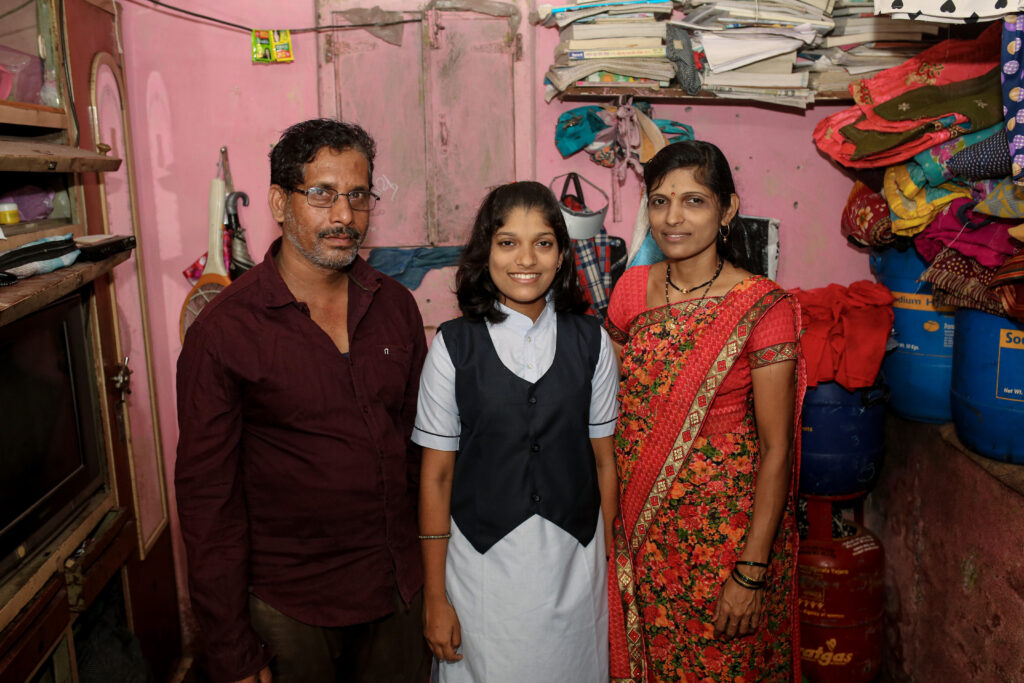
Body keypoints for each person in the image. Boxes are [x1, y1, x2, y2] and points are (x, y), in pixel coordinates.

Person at [175, 118, 431, 683]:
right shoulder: (225, 331)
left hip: (396, 593)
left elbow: (420, 454)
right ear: (279, 202)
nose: (344, 216)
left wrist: (433, 581)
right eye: (321, 194)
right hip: (290, 606)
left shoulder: (395, 307)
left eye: (358, 196)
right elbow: (206, 502)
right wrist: (233, 651)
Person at [606, 140, 805, 682]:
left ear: (727, 210)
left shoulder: (763, 305)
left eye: (693, 201)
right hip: (642, 529)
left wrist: (752, 570)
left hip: (726, 537)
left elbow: (776, 448)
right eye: (660, 201)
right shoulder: (628, 291)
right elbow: (614, 409)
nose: (673, 218)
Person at [414, 181, 620, 682]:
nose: (525, 258)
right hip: (481, 571)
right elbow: (436, 477)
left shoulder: (592, 342)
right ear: (486, 253)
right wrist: (436, 596)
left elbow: (604, 462)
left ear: (562, 254)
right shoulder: (452, 347)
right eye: (507, 242)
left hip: (575, 563)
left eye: (543, 242)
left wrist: (613, 571)